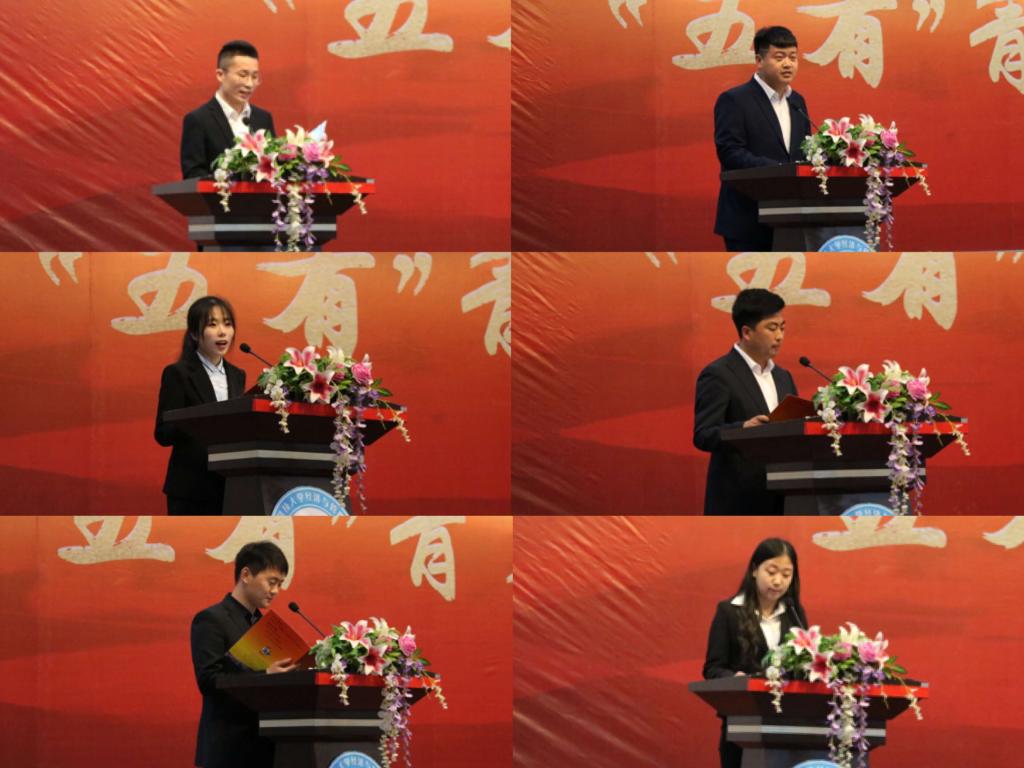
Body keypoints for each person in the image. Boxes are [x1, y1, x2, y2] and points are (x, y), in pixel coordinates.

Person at [191, 541, 298, 768]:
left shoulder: (265, 626)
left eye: (280, 584)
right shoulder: (211, 619)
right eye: (272, 582)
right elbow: (209, 680)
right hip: (229, 749)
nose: (276, 591)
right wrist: (266, 676)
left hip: (267, 748)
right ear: (246, 575)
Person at [703, 538, 808, 768]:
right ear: (754, 570)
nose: (778, 581)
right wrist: (735, 679)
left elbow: (805, 664)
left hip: (788, 725)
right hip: (742, 726)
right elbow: (712, 669)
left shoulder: (794, 614)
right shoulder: (729, 612)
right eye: (771, 572)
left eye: (786, 574)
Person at [693, 288, 797, 515]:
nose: (780, 336)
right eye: (772, 328)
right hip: (739, 501)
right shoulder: (719, 374)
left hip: (785, 498)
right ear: (747, 332)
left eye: (782, 328)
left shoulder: (783, 376)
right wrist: (742, 429)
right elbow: (703, 435)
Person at [713, 26, 812, 251]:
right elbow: (730, 153)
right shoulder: (734, 100)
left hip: (792, 218)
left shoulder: (797, 102)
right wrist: (778, 171)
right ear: (759, 60)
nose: (788, 64)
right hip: (748, 218)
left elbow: (804, 151)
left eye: (793, 57)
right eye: (779, 57)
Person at [154, 296, 246, 515]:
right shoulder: (178, 373)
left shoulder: (237, 375)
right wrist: (198, 421)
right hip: (191, 488)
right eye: (212, 324)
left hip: (229, 486)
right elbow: (163, 434)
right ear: (195, 333)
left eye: (227, 324)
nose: (222, 332)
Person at [181, 40, 276, 179]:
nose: (250, 84)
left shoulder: (263, 118)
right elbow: (193, 175)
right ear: (220, 75)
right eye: (243, 75)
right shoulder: (199, 120)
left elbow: (273, 168)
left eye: (255, 77)